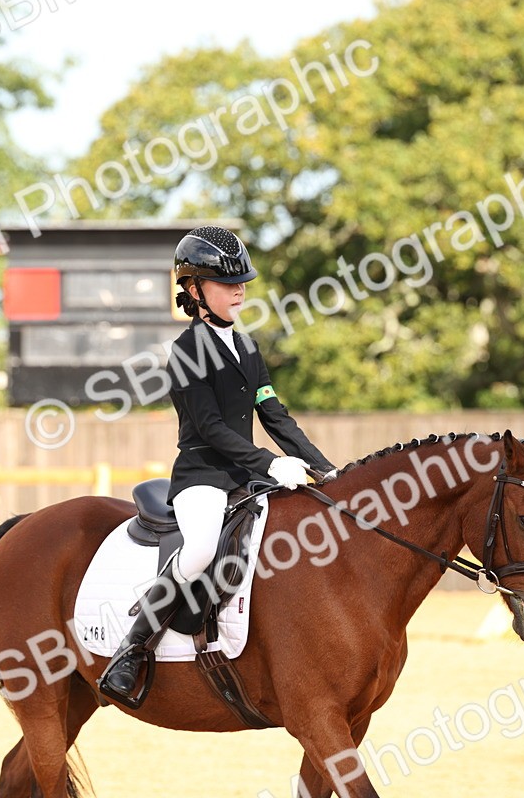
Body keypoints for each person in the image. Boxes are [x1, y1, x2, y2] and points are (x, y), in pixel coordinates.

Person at [99, 225, 336, 703]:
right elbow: (210, 429)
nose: (239, 290)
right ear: (194, 290)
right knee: (203, 548)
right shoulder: (186, 352)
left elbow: (275, 414)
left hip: (247, 477)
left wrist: (325, 469)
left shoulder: (247, 348)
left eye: (242, 281)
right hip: (203, 478)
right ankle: (133, 648)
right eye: (227, 283)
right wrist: (270, 464)